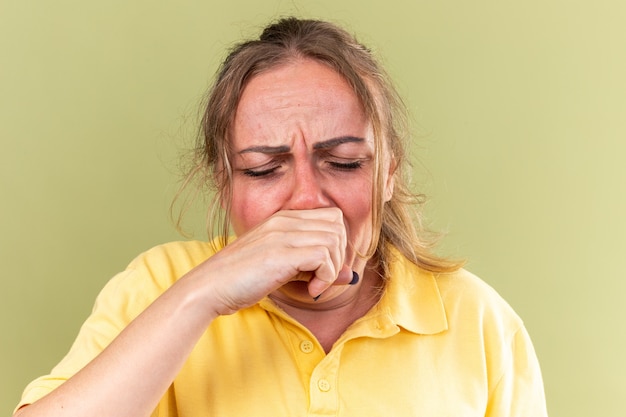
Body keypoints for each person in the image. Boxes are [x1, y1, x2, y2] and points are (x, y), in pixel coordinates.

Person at [14, 17, 547, 417]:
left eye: (343, 163)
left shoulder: (480, 322)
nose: (306, 200)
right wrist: (204, 294)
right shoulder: (156, 286)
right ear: (225, 185)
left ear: (388, 175)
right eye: (264, 169)